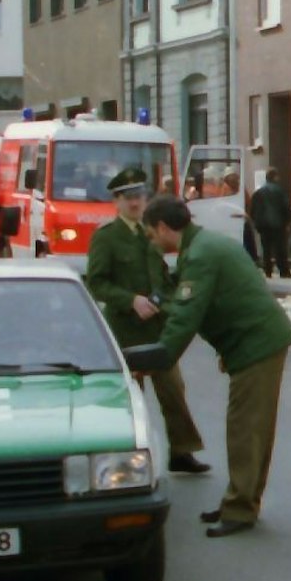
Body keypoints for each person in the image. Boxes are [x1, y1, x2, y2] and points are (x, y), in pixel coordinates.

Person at [145, 195, 291, 538]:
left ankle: (240, 507)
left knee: (245, 429)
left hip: (256, 344)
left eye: (151, 235)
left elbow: (184, 318)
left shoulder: (201, 255)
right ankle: (241, 499)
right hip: (254, 342)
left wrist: (156, 360)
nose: (153, 242)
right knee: (252, 428)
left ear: (162, 227)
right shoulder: (204, 245)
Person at [83, 167, 209, 475]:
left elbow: (163, 277)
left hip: (157, 328)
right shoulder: (107, 237)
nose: (136, 203)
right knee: (131, 400)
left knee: (174, 391)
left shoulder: (150, 233)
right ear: (117, 201)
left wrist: (161, 300)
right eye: (129, 198)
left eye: (139, 196)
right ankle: (130, 458)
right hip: (125, 330)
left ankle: (181, 451)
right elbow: (97, 282)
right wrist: (130, 300)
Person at [249, 169, 291, 279]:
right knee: (280, 248)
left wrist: (255, 222)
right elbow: (286, 207)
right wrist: (287, 222)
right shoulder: (280, 191)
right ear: (275, 177)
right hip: (278, 224)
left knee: (266, 249)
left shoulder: (258, 192)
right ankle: (283, 271)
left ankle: (268, 271)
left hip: (263, 225)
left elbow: (252, 209)